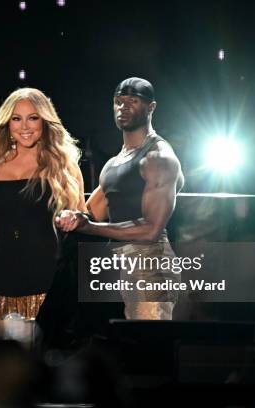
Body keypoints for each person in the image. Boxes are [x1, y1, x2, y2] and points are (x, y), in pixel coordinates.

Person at [57, 77, 184, 320]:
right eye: (118, 101)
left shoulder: (159, 157)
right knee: (125, 348)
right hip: (120, 261)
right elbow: (90, 212)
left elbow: (151, 230)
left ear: (151, 107)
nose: (123, 108)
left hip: (149, 262)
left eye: (132, 101)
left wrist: (90, 226)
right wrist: (72, 217)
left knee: (146, 348)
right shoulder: (114, 163)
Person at [0, 88, 86, 320]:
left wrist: (75, 218)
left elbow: (82, 219)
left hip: (47, 283)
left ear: (44, 121)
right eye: (16, 118)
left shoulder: (62, 166)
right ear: (7, 124)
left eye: (33, 117)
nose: (25, 126)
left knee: (43, 354)